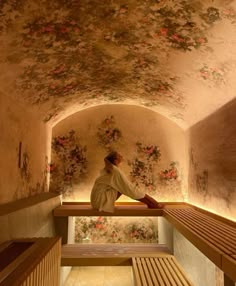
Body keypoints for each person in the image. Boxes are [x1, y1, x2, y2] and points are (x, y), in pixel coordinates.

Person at [90, 151, 163, 213]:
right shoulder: (114, 171)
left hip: (95, 201)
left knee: (125, 187)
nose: (121, 156)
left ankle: (151, 203)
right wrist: (151, 201)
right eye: (119, 156)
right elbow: (129, 188)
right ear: (115, 160)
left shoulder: (110, 169)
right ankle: (152, 204)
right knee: (127, 188)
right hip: (99, 202)